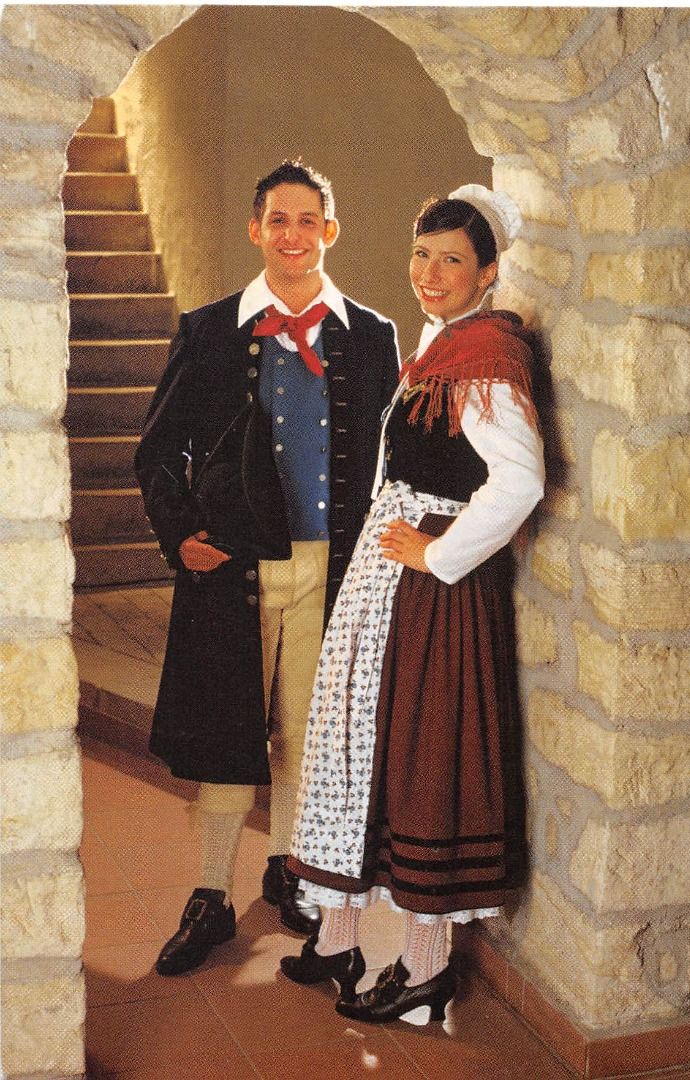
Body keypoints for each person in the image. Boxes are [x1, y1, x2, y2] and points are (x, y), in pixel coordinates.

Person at [280, 185, 545, 1023]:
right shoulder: (445, 344)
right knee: (352, 749)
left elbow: (520, 479)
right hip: (387, 580)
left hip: (432, 595)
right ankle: (337, 939)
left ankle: (426, 969)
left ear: (487, 272)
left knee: (423, 760)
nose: (429, 273)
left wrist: (438, 554)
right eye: (421, 255)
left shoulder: (485, 353)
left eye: (451, 260)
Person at [135, 160, 400, 975]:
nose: (292, 235)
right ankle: (210, 893)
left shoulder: (372, 335)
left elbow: (394, 461)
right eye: (277, 220)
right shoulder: (210, 330)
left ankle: (287, 869)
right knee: (227, 732)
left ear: (330, 231)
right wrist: (180, 534)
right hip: (232, 571)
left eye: (307, 220)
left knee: (303, 734)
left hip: (331, 570)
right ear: (256, 230)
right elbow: (157, 450)